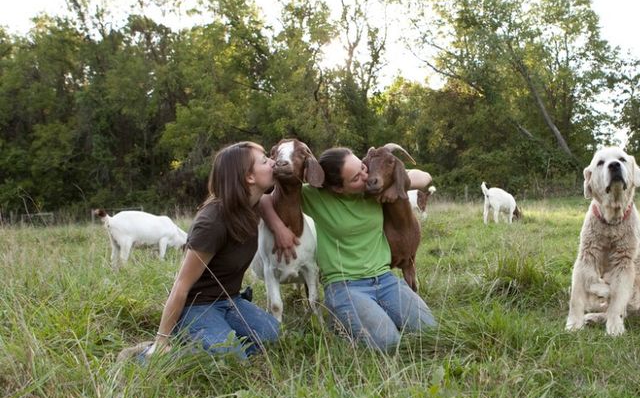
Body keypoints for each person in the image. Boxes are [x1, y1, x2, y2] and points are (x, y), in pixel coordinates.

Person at [260, 146, 437, 351]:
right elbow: (264, 199)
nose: (365, 177)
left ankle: (364, 317)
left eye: (362, 168)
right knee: (388, 343)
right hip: (345, 285)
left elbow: (424, 177)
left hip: (385, 280)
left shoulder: (374, 187)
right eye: (355, 178)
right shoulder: (314, 196)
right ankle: (340, 321)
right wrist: (279, 228)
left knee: (429, 331)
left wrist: (396, 187)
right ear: (338, 188)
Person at [145, 141, 281, 360]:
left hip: (231, 300)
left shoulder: (253, 206)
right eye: (265, 160)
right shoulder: (212, 222)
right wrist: (161, 339)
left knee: (272, 335)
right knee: (231, 357)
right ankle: (148, 354)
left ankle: (211, 342)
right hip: (197, 306)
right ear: (249, 177)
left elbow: (285, 194)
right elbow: (181, 285)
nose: (273, 163)